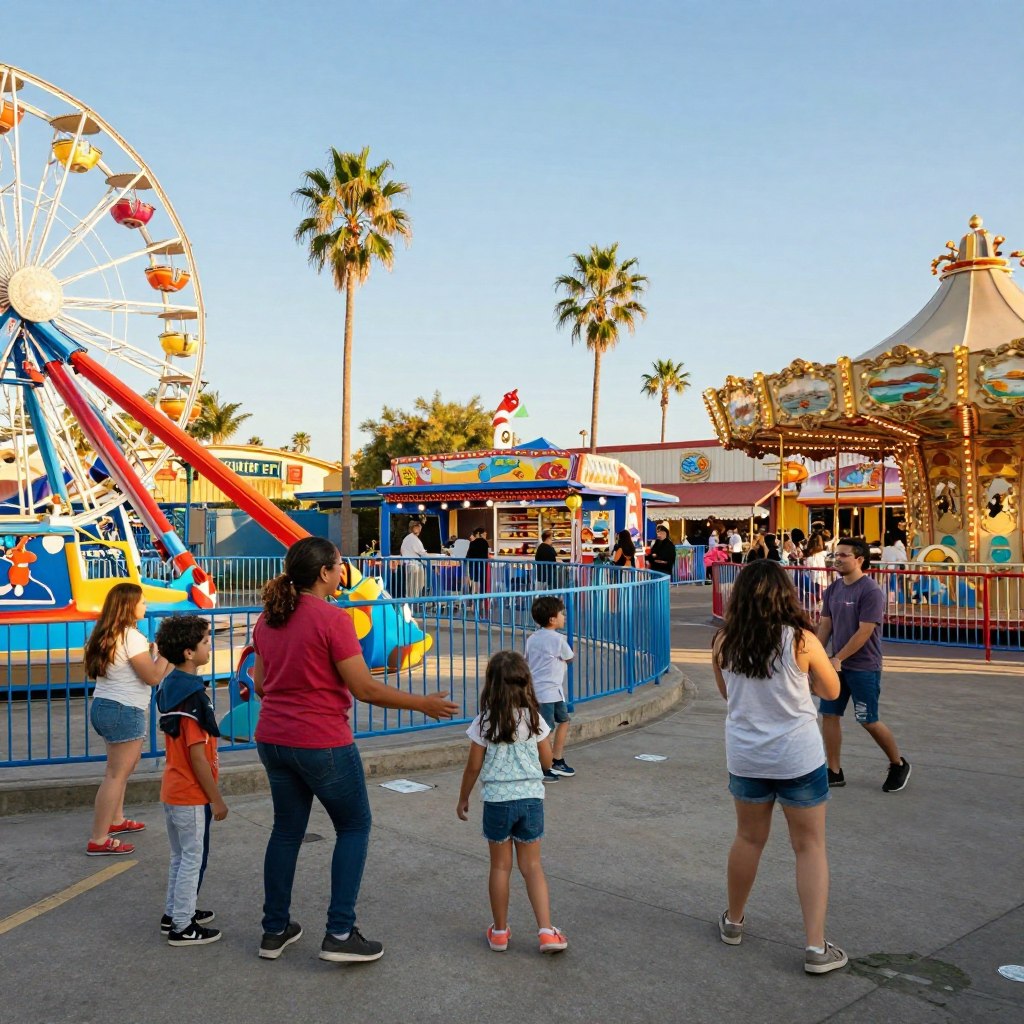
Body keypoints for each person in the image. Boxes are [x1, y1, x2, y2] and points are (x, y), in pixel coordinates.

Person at [252, 537, 458, 963]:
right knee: (354, 826)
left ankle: (274, 930)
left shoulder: (268, 619)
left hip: (273, 738)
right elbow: (364, 688)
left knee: (286, 831)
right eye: (340, 566)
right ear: (325, 573)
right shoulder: (332, 619)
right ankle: (340, 933)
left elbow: (258, 682)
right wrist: (423, 703)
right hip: (321, 741)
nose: (343, 572)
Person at [711, 560, 847, 975]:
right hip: (797, 756)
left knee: (748, 839)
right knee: (809, 846)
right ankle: (814, 946)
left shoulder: (724, 641)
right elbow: (830, 689)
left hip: (747, 755)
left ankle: (734, 922)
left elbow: (727, 694)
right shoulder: (802, 641)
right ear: (784, 594)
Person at [456, 650, 568, 955]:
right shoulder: (535, 719)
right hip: (531, 801)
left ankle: (500, 933)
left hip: (497, 802)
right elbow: (547, 761)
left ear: (490, 685)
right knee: (532, 867)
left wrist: (464, 796)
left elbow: (473, 767)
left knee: (500, 867)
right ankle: (546, 932)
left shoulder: (484, 722)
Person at [816, 537, 911, 793]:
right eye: (836, 554)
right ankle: (834, 771)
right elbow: (825, 625)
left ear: (859, 560)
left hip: (863, 667)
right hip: (836, 667)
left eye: (843, 555)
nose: (837, 558)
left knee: (867, 719)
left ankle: (898, 763)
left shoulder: (870, 591)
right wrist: (813, 655)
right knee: (829, 714)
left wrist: (839, 658)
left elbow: (865, 631)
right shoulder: (834, 589)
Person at [155, 614, 225, 946]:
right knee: (191, 858)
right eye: (206, 642)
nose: (210, 646)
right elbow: (198, 755)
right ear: (188, 652)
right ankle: (183, 926)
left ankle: (175, 912)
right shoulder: (194, 698)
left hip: (172, 788)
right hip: (191, 793)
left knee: (180, 856)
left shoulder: (169, 687)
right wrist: (216, 798)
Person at [84, 582, 170, 856]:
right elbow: (153, 677)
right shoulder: (131, 637)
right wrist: (168, 653)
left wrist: (154, 653)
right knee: (116, 774)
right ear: (128, 606)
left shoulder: (106, 634)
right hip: (124, 709)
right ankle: (98, 838)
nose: (146, 606)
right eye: (142, 602)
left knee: (123, 768)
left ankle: (116, 820)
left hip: (105, 706)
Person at [525, 596, 575, 782]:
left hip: (538, 690)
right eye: (561, 614)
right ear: (552, 619)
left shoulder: (532, 638)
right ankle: (547, 765)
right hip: (551, 691)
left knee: (555, 724)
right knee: (549, 729)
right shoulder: (558, 639)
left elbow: (527, 660)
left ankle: (556, 760)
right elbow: (569, 658)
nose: (564, 617)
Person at [400, 520, 428, 598]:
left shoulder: (408, 538)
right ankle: (414, 605)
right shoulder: (413, 539)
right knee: (415, 587)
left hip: (410, 565)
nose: (420, 528)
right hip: (414, 565)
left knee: (411, 587)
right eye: (418, 527)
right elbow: (422, 552)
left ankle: (411, 604)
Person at [466, 527, 491, 593]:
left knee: (474, 582)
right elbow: (487, 555)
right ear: (479, 534)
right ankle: (482, 598)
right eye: (484, 534)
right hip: (483, 566)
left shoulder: (472, 543)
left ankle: (474, 598)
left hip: (473, 566)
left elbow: (468, 556)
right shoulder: (485, 543)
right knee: (482, 582)